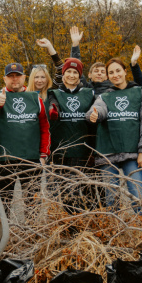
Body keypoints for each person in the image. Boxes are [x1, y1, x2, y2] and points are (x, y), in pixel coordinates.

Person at [86, 58, 142, 211]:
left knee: (137, 195)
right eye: (111, 72)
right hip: (108, 153)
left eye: (118, 71)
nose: (115, 75)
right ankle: (115, 231)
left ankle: (141, 230)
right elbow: (98, 109)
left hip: (132, 153)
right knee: (111, 198)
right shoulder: (104, 96)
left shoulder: (140, 93)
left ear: (125, 71)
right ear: (108, 76)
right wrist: (94, 115)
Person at [0, 63, 51, 220]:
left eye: (17, 76)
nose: (14, 79)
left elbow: (45, 128)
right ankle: (4, 238)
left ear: (24, 78)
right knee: (3, 203)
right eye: (10, 76)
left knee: (32, 203)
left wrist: (44, 153)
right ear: (4, 79)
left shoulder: (35, 98)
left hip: (30, 159)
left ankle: (30, 236)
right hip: (4, 160)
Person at [46, 57, 97, 211]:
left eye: (75, 72)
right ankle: (65, 224)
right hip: (60, 150)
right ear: (63, 74)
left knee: (78, 190)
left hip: (81, 150)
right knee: (60, 190)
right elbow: (52, 105)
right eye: (68, 71)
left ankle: (78, 224)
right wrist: (53, 111)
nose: (71, 75)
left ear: (80, 75)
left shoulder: (89, 93)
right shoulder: (54, 93)